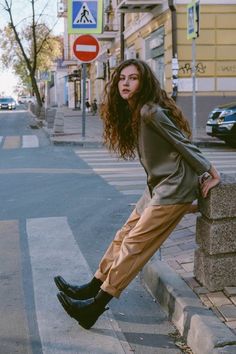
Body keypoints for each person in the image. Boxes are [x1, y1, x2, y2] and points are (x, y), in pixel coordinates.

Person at [55, 59, 220, 330]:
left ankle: (94, 306)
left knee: (135, 245)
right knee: (123, 235)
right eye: (122, 78)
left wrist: (211, 172)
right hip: (156, 186)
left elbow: (182, 142)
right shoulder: (135, 111)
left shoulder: (150, 111)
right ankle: (91, 286)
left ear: (143, 83)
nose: (125, 83)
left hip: (174, 187)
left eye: (133, 78)